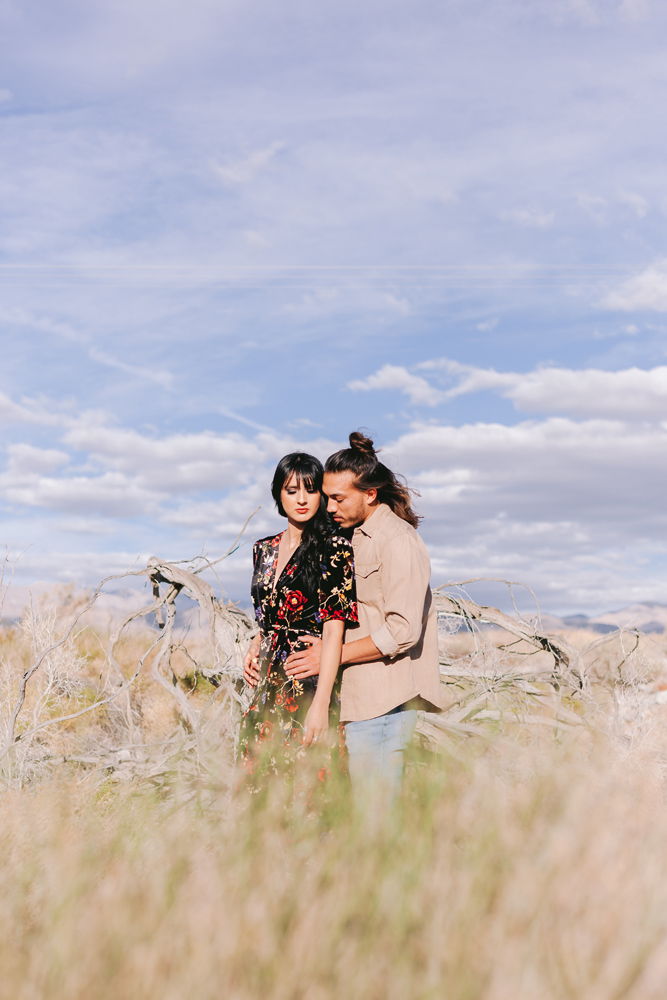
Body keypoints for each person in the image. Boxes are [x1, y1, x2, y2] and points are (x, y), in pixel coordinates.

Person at [283, 432, 443, 801]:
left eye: (338, 498)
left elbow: (402, 631)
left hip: (386, 699)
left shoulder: (398, 540)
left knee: (375, 815)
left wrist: (331, 655)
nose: (330, 507)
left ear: (370, 494)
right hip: (360, 697)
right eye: (328, 498)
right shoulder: (353, 537)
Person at [241, 452, 358, 781]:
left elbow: (335, 631)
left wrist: (322, 704)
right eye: (292, 491)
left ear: (321, 494)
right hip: (265, 685)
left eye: (310, 489)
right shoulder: (263, 549)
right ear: (279, 493)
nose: (302, 499)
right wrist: (255, 645)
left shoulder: (333, 547)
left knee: (306, 788)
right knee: (259, 787)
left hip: (307, 683)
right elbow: (269, 615)